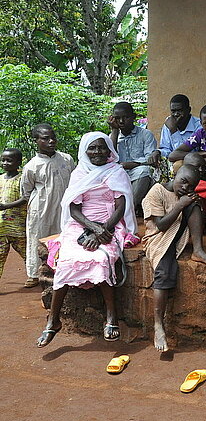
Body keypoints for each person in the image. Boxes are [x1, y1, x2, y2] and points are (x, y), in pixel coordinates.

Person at [37, 132, 136, 347]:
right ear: (84, 150)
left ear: (109, 149)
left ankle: (111, 317)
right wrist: (91, 229)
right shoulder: (79, 172)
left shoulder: (116, 171)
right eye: (92, 148)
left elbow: (121, 207)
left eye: (102, 147)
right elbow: (74, 208)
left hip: (110, 224)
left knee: (102, 259)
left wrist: (103, 231)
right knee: (65, 262)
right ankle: (53, 321)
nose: (98, 152)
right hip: (81, 225)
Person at [142, 164, 206, 352]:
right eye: (184, 181)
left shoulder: (185, 196)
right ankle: (158, 325)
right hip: (158, 239)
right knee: (165, 271)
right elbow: (160, 225)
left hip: (177, 235)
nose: (186, 188)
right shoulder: (156, 192)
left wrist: (190, 202)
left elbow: (188, 208)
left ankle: (198, 250)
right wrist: (180, 204)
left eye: (191, 186)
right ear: (175, 174)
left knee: (195, 205)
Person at [21, 123, 75, 288]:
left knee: (63, 235)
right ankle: (34, 273)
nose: (51, 141)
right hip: (41, 208)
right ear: (36, 140)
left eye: (53, 137)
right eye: (45, 138)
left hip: (64, 206)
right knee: (38, 237)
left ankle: (61, 268)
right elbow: (26, 191)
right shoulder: (31, 166)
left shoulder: (66, 159)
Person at [108, 101, 160, 212]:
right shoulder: (112, 136)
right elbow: (110, 159)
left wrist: (133, 164)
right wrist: (115, 131)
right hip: (120, 173)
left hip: (139, 174)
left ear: (133, 117)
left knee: (144, 171)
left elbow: (150, 159)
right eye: (117, 118)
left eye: (125, 117)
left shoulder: (145, 134)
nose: (121, 121)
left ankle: (127, 209)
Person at [0, 148, 27, 280]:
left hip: (18, 227)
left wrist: (6, 206)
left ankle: (35, 277)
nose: (5, 163)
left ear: (18, 162)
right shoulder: (0, 179)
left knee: (28, 255)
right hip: (1, 227)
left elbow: (25, 198)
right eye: (3, 160)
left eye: (9, 161)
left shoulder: (22, 179)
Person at [158, 94, 201, 159]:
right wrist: (158, 152)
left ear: (189, 110)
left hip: (193, 162)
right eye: (173, 111)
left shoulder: (199, 126)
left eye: (180, 111)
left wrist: (174, 131)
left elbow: (181, 153)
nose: (176, 114)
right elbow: (166, 149)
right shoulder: (168, 124)